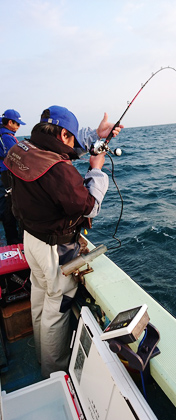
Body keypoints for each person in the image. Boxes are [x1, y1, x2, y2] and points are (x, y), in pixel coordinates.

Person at [4, 105, 123, 378]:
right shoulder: (59, 171)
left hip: (31, 240)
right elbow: (88, 207)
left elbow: (58, 154)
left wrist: (98, 135)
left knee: (40, 295)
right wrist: (96, 169)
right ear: (62, 133)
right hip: (53, 250)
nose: (73, 145)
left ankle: (38, 354)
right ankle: (54, 373)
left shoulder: (21, 148)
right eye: (71, 137)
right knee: (57, 307)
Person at [0, 109, 26, 244]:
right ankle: (13, 240)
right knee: (9, 207)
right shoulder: (6, 137)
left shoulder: (4, 134)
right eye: (17, 123)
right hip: (5, 175)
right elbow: (17, 155)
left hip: (4, 174)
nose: (19, 126)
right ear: (10, 122)